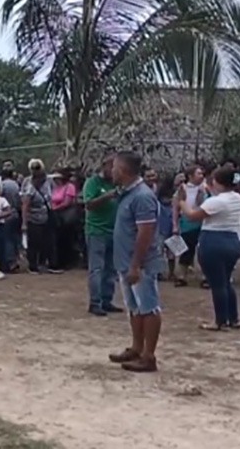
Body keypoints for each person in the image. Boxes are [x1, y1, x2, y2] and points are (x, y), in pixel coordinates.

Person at [108, 151, 165, 373]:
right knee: (134, 307)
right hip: (126, 261)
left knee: (148, 307)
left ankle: (149, 355)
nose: (111, 171)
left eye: (114, 167)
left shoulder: (142, 196)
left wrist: (135, 264)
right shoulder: (128, 194)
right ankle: (137, 348)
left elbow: (146, 233)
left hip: (141, 264)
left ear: (122, 170)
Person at [179, 167, 240, 330]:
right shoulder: (237, 198)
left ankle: (220, 321)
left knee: (217, 284)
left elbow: (192, 215)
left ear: (217, 182)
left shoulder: (216, 202)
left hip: (214, 241)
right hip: (233, 240)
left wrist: (181, 202)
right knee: (226, 281)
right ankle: (233, 318)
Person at [82, 156, 124, 316]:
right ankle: (95, 302)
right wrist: (108, 196)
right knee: (97, 268)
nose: (114, 171)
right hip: (96, 230)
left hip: (114, 231)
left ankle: (107, 300)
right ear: (104, 166)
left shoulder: (116, 183)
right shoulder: (93, 183)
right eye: (112, 167)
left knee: (111, 269)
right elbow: (89, 205)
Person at [22, 163, 61, 274]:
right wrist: (24, 222)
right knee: (34, 242)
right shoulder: (29, 185)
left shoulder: (48, 182)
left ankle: (52, 264)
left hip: (47, 214)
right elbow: (25, 204)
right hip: (34, 217)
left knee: (50, 241)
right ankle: (33, 266)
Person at [172, 165, 206, 287]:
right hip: (187, 223)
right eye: (198, 173)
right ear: (190, 176)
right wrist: (175, 225)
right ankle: (181, 276)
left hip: (203, 223)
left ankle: (205, 276)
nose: (201, 176)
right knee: (185, 250)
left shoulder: (205, 189)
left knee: (203, 251)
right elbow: (175, 209)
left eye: (202, 173)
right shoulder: (182, 190)